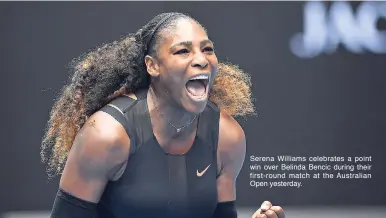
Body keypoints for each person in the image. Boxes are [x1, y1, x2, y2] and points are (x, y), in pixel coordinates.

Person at [41, 12, 285, 218]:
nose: (201, 59)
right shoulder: (106, 136)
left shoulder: (227, 137)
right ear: (152, 65)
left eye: (207, 49)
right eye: (182, 51)